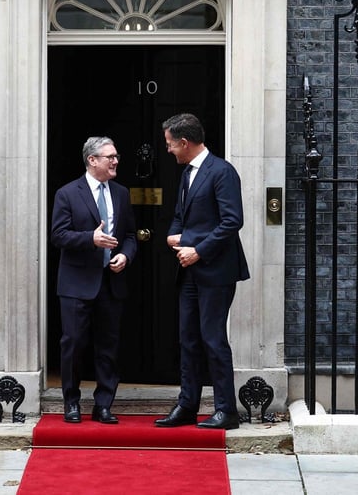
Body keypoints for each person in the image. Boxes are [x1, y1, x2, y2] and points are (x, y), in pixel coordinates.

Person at [155, 113, 249, 430]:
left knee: (213, 339)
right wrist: (174, 234)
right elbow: (180, 216)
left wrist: (196, 249)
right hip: (190, 273)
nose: (168, 150)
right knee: (189, 340)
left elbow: (232, 221)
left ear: (184, 142)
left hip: (216, 271)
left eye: (170, 144)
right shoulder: (188, 174)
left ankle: (226, 410)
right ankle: (187, 405)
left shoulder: (222, 172)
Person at [51, 136, 137, 424]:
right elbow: (58, 235)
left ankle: (104, 405)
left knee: (108, 347)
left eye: (116, 156)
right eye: (110, 157)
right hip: (76, 283)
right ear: (92, 160)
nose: (115, 161)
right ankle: (71, 402)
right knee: (73, 344)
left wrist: (125, 255)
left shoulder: (121, 193)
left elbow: (130, 235)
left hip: (111, 282)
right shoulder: (67, 193)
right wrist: (91, 238)